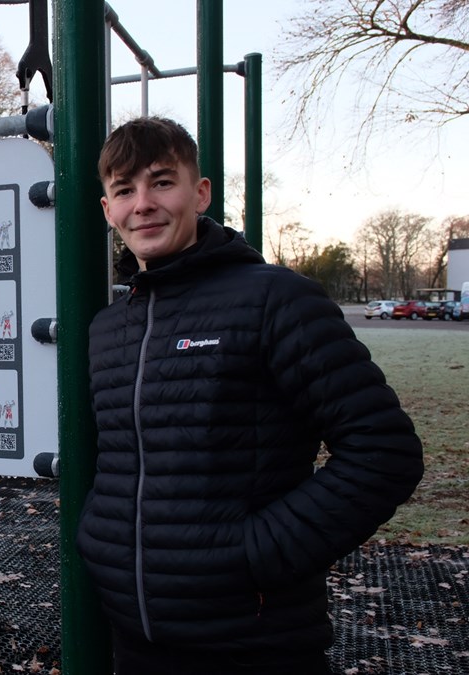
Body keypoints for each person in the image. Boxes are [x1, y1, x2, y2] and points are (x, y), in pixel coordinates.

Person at [78, 116, 424, 675]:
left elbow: (384, 453)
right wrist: (99, 541)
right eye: (124, 190)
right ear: (107, 210)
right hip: (136, 635)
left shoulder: (274, 300)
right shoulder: (110, 329)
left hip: (252, 641)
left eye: (162, 182)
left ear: (200, 191)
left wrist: (255, 553)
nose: (143, 203)